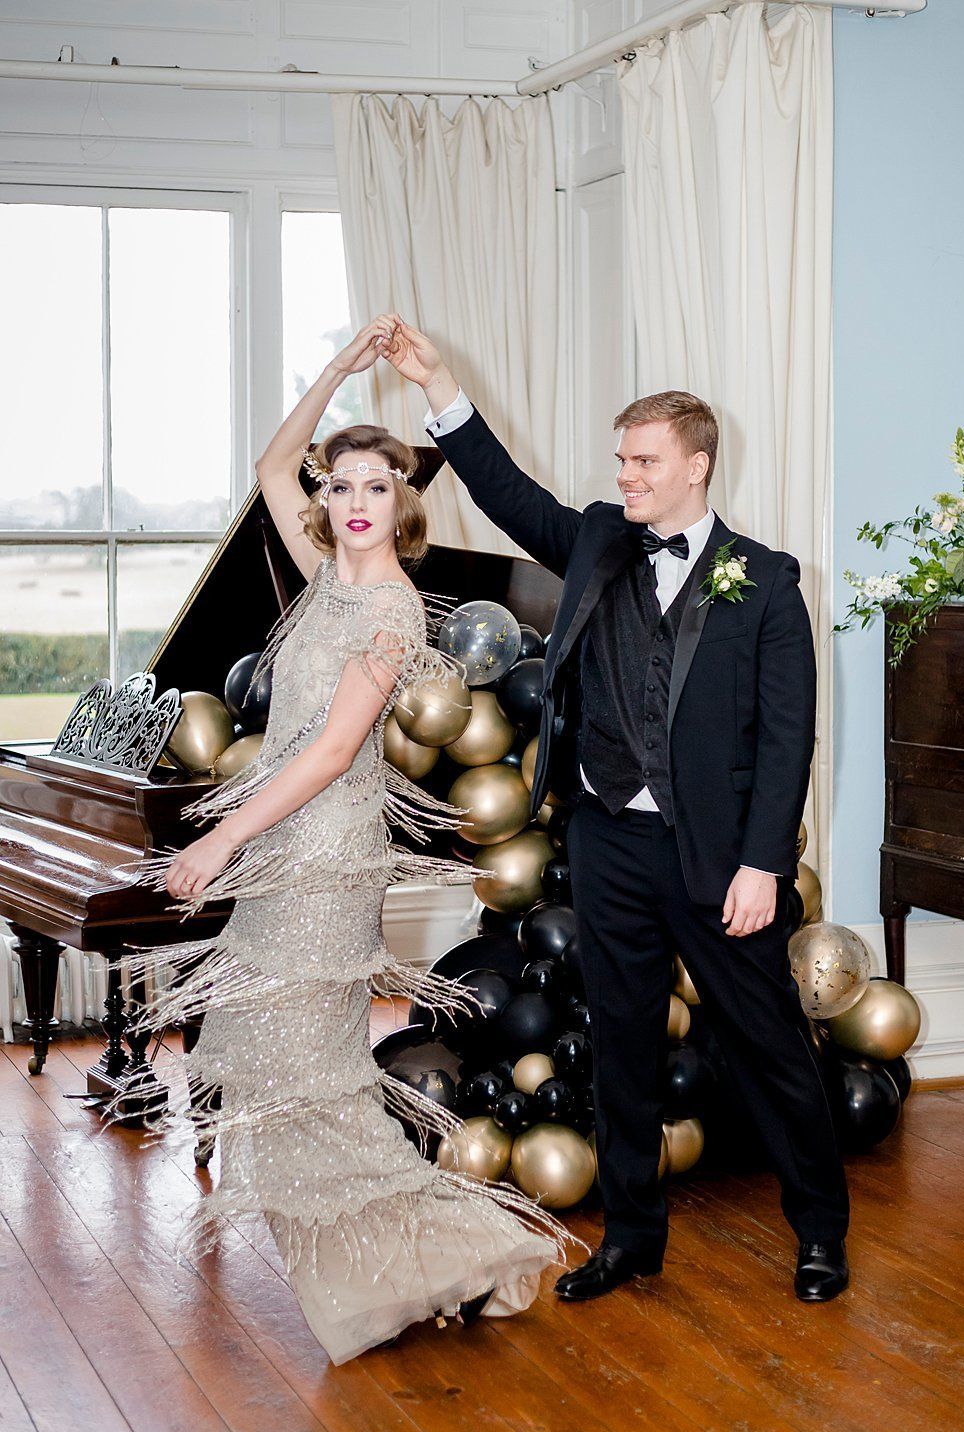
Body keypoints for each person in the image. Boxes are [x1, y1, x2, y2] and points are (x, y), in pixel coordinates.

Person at [121, 318, 574, 1365]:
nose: (356, 501)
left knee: (305, 1075)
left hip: (325, 858)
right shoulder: (322, 572)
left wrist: (219, 841)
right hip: (285, 851)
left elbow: (329, 754)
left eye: (377, 486)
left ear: (402, 505)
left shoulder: (391, 609)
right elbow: (271, 462)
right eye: (342, 485)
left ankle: (451, 1252)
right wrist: (336, 369)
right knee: (284, 1078)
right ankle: (404, 1270)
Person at [380, 315, 851, 1305]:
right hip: (606, 839)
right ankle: (633, 1236)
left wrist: (763, 865)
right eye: (621, 459)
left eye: (643, 460)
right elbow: (507, 494)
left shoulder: (764, 583)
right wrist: (438, 386)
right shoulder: (597, 536)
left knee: (769, 1044)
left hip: (720, 858)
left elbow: (785, 739)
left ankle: (819, 1233)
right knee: (622, 1046)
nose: (627, 475)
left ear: (696, 465)